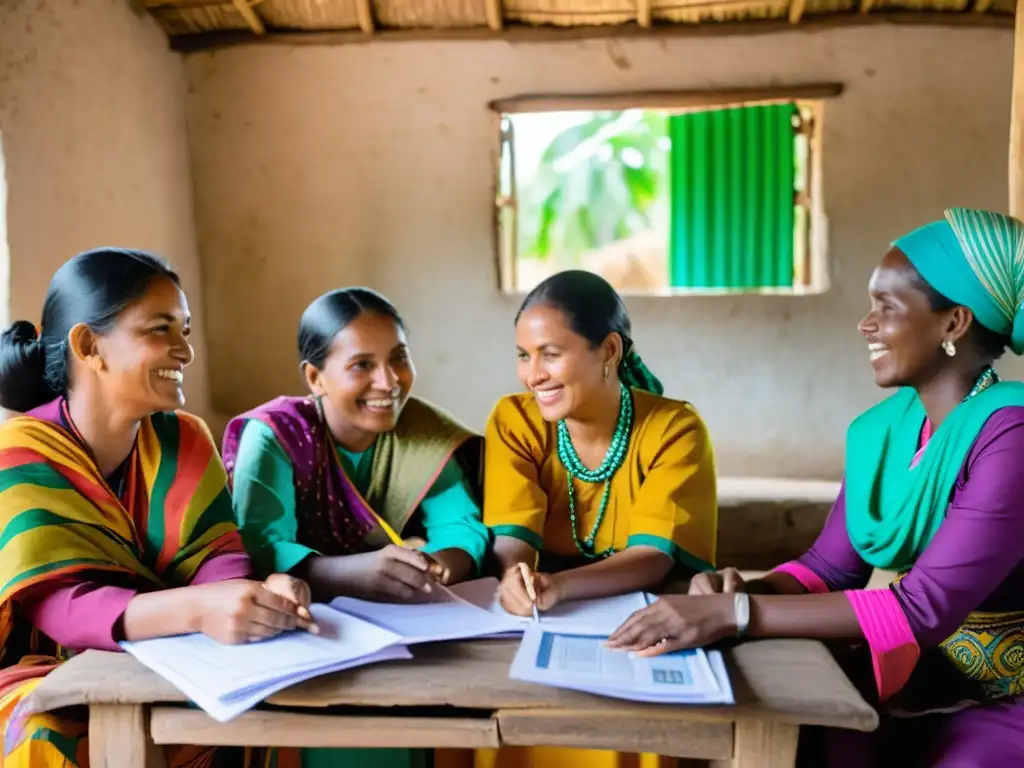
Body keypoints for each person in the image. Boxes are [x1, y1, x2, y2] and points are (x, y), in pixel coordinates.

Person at [606, 208, 1024, 767]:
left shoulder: (1011, 434)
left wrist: (737, 614)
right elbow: (827, 571)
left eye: (887, 306)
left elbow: (922, 609)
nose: (866, 324)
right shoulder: (885, 433)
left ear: (953, 324)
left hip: (1007, 696)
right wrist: (747, 593)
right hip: (924, 678)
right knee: (810, 733)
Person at [0, 247, 312, 767]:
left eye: (184, 331)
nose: (185, 351)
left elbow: (217, 553)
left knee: (254, 708)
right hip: (44, 666)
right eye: (160, 330)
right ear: (88, 345)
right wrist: (199, 609)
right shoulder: (21, 451)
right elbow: (58, 605)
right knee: (45, 730)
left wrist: (258, 596)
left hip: (171, 654)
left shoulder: (184, 436)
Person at [478, 270, 717, 768]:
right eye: (524, 355)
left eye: (551, 353)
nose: (533, 374)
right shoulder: (514, 420)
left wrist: (558, 586)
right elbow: (513, 536)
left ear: (609, 350)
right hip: (544, 622)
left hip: (646, 618)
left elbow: (653, 558)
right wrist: (515, 578)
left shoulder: (674, 428)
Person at [223, 287, 490, 601]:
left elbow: (460, 525)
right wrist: (349, 574)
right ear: (314, 377)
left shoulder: (423, 431)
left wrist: (438, 565)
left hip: (406, 610)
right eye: (362, 365)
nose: (389, 382)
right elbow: (264, 544)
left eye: (399, 358)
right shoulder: (277, 435)